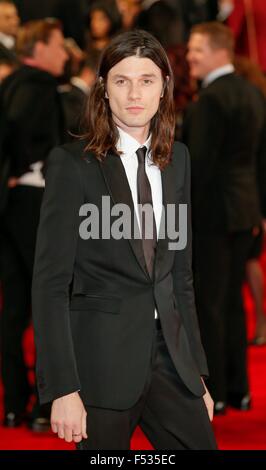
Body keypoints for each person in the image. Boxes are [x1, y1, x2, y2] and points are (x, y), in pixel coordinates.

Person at [32, 29, 217, 450]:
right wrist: (62, 388)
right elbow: (50, 282)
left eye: (147, 80)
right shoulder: (72, 165)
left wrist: (198, 375)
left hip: (171, 359)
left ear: (164, 87)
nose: (135, 93)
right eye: (122, 80)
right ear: (103, 88)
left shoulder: (178, 160)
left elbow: (181, 276)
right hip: (100, 362)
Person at [183, 22, 266, 415]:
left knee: (209, 304)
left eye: (196, 49)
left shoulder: (209, 101)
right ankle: (239, 390)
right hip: (245, 209)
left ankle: (212, 392)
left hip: (214, 214)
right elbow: (261, 160)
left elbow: (197, 167)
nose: (188, 57)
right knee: (232, 301)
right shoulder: (253, 92)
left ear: (219, 51)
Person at [0, 18, 68, 430]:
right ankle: (45, 405)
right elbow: (21, 130)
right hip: (35, 201)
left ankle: (13, 403)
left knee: (14, 307)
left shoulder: (8, 84)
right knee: (47, 303)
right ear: (39, 48)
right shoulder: (38, 86)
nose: (64, 54)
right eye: (59, 45)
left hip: (10, 205)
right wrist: (23, 163)